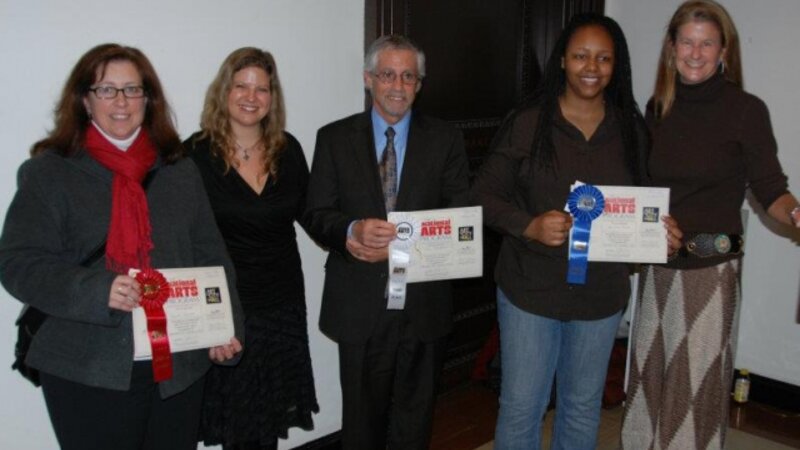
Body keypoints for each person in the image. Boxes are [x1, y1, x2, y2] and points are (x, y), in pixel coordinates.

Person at [0, 43, 244, 450]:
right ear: (84, 99)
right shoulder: (49, 172)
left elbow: (211, 256)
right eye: (106, 90)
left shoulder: (179, 170)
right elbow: (17, 263)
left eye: (132, 90)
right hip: (87, 368)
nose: (121, 102)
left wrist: (225, 326)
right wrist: (96, 290)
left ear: (148, 99)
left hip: (177, 368)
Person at [471, 14, 678, 450]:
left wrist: (658, 231)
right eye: (581, 55)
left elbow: (641, 204)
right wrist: (529, 225)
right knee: (522, 406)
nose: (592, 66)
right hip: (531, 289)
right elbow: (483, 196)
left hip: (600, 295)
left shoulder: (631, 130)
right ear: (562, 60)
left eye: (603, 58)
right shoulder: (528, 123)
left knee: (582, 407)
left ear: (616, 65)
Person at [621, 1, 800, 449]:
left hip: (711, 273)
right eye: (687, 41)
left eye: (707, 43)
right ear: (671, 47)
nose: (695, 53)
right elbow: (645, 186)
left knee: (693, 392)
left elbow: (771, 189)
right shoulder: (658, 106)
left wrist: (796, 214)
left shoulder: (746, 110)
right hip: (658, 270)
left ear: (724, 50)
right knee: (648, 386)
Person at [304, 35, 470, 449]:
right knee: (361, 424)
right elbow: (314, 212)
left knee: (415, 420)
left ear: (419, 84)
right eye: (387, 75)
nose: (398, 86)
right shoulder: (334, 138)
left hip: (424, 302)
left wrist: (415, 241)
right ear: (368, 79)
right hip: (359, 302)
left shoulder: (446, 139)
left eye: (408, 76)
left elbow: (461, 212)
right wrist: (350, 231)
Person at [184, 47, 319, 450]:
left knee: (266, 418)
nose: (251, 96)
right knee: (237, 421)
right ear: (223, 91)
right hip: (225, 308)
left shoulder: (287, 150)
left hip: (281, 304)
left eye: (262, 89)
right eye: (241, 85)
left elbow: (312, 216)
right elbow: (182, 238)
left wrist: (353, 232)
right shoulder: (193, 155)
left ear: (272, 99)